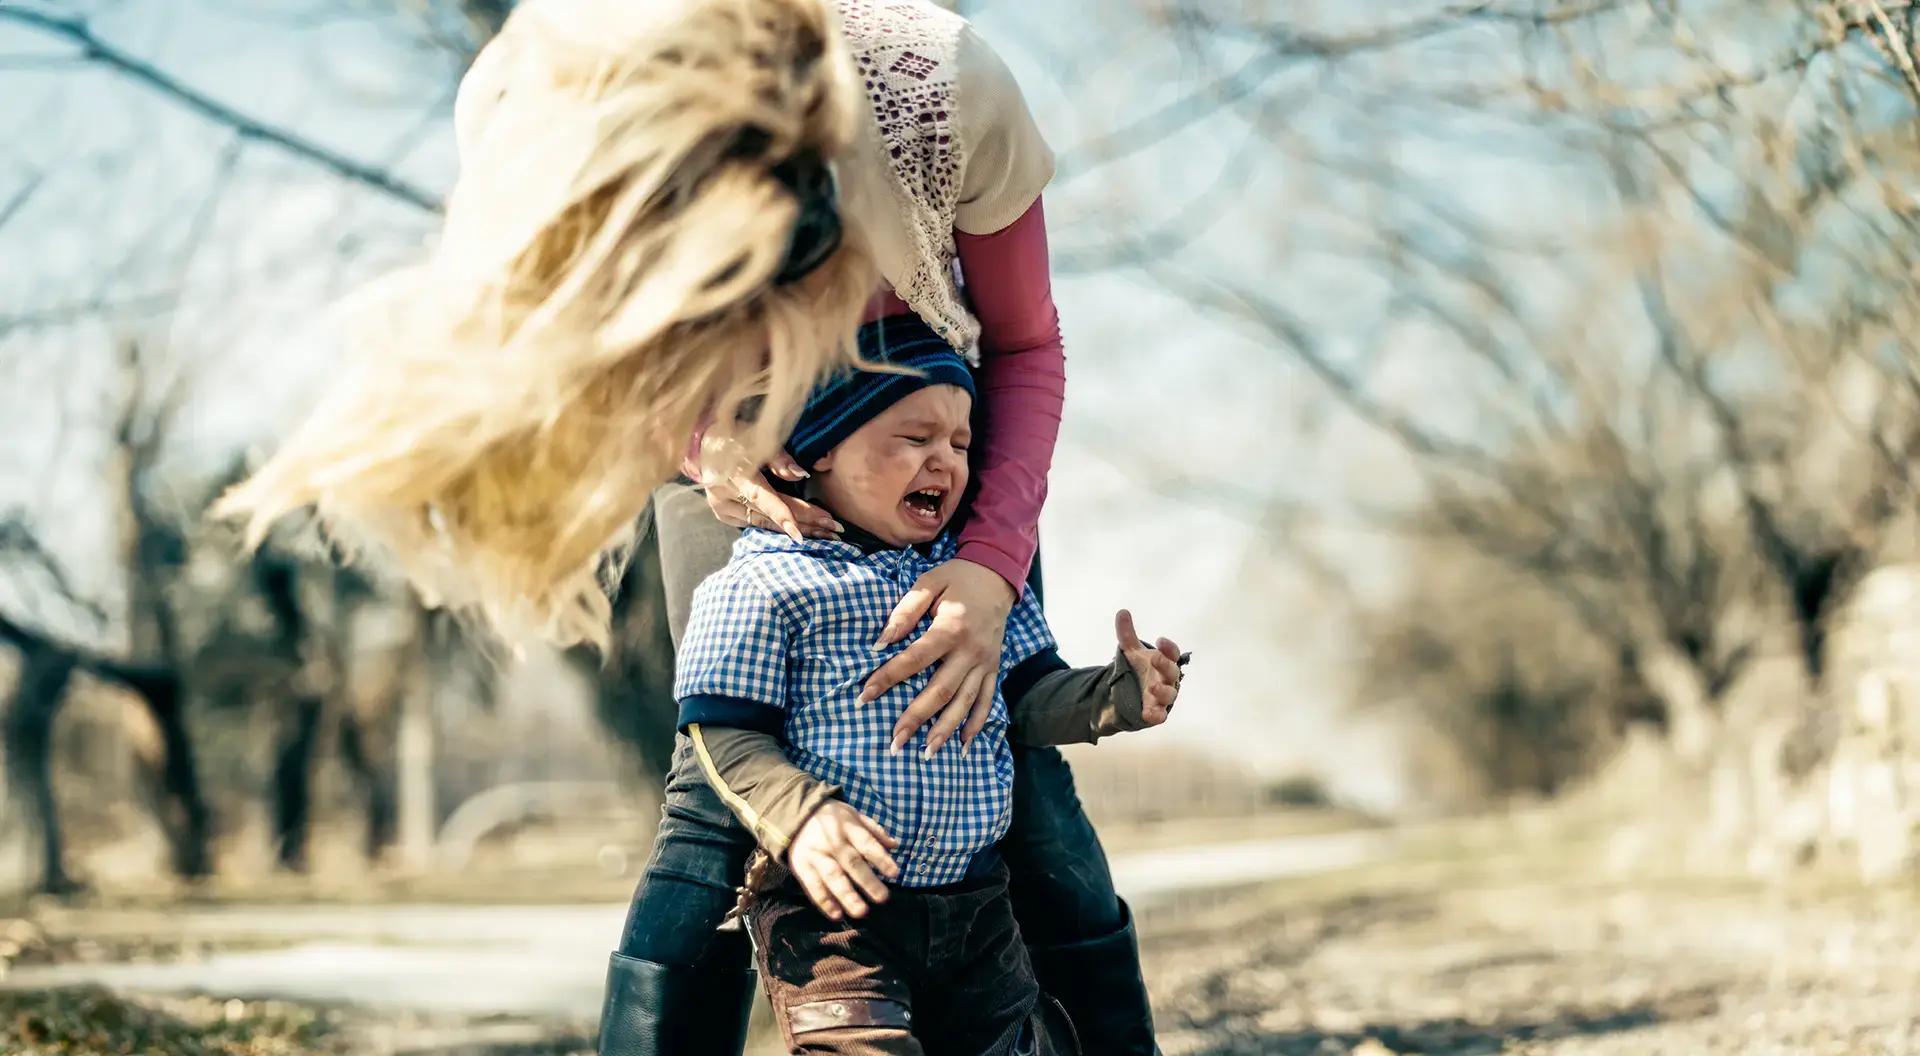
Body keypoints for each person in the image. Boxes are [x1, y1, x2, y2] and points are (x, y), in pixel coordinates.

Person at [211, 0, 1163, 1050]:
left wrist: (989, 567)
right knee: (718, 795)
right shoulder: (545, 101)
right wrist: (702, 446)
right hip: (712, 455)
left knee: (1019, 779)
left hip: (925, 446)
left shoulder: (944, 89)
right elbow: (591, 364)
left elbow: (1026, 344)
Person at [673, 339, 1186, 1054]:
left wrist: (1116, 696)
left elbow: (1030, 699)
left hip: (976, 906)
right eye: (914, 437)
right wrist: (802, 817)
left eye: (960, 441)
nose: (945, 460)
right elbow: (722, 732)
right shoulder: (760, 585)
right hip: (834, 914)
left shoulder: (969, 590)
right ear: (819, 451)